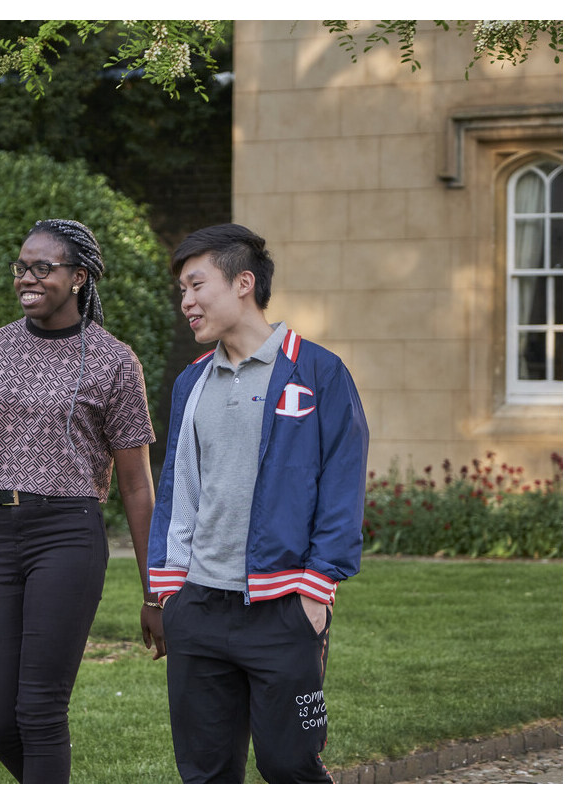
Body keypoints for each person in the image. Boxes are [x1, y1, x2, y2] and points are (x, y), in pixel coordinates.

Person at [0, 218, 165, 784]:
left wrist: (155, 592)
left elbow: (137, 486)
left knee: (38, 709)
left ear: (79, 276)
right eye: (21, 267)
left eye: (43, 267)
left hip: (68, 534)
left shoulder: (113, 361)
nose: (27, 278)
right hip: (2, 533)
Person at [146, 223, 369, 783]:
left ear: (243, 282)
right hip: (198, 608)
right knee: (205, 773)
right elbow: (177, 489)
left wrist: (315, 593)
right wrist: (170, 590)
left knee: (290, 766)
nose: (186, 302)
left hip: (284, 608)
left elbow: (343, 484)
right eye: (182, 290)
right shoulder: (191, 382)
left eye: (196, 286)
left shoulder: (319, 372)